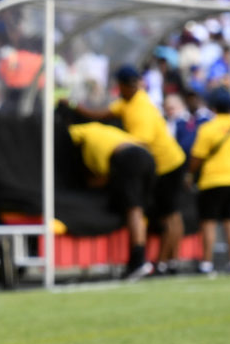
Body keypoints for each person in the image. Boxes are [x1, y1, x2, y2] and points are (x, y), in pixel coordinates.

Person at [70, 65, 187, 278]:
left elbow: (141, 143)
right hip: (161, 162)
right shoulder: (128, 102)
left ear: (122, 86)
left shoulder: (139, 109)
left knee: (169, 215)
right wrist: (78, 109)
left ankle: (164, 262)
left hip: (167, 163)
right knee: (167, 214)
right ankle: (167, 262)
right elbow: (104, 113)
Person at [68, 122, 156, 279]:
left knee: (133, 210)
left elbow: (99, 179)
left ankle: (138, 261)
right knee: (139, 210)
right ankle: (140, 260)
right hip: (148, 156)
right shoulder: (109, 131)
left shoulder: (86, 139)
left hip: (130, 157)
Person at [189, 88, 230, 275]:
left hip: (212, 180)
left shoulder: (208, 129)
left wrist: (190, 174)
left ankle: (207, 264)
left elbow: (196, 157)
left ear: (214, 107)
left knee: (208, 222)